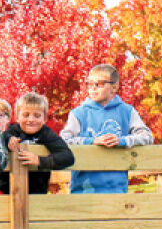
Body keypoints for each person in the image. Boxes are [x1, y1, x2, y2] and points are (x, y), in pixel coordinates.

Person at [61, 63, 153, 193]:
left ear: (114, 87)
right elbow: (64, 140)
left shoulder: (127, 111)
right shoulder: (78, 113)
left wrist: (122, 141)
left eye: (99, 84)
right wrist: (92, 141)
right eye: (89, 84)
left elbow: (147, 137)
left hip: (117, 190)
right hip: (83, 192)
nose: (93, 88)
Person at [2, 92, 75, 195]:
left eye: (37, 116)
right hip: (9, 193)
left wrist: (39, 160)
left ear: (44, 119)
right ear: (18, 117)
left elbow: (68, 157)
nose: (31, 119)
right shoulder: (13, 131)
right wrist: (8, 139)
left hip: (37, 193)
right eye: (26, 115)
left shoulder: (45, 133)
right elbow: (0, 138)